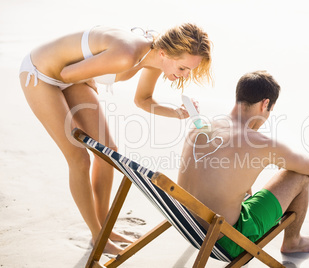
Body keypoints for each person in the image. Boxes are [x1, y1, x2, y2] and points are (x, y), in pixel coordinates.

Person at [19, 23, 212, 254]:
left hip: (72, 76)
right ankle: (97, 235)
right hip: (42, 75)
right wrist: (94, 85)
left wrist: (177, 113)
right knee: (79, 159)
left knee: (107, 151)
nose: (185, 75)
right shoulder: (126, 56)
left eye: (189, 70)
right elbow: (66, 74)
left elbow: (143, 99)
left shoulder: (154, 57)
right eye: (183, 68)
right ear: (165, 53)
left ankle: (106, 227)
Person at [177, 70, 309, 259]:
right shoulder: (257, 141)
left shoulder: (202, 125)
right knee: (299, 174)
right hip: (226, 239)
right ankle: (293, 241)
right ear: (265, 104)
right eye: (270, 109)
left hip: (186, 223)